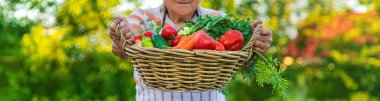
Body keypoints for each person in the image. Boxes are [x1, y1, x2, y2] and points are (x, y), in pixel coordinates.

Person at [109, 0, 273, 101]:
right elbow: (125, 46)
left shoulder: (219, 19)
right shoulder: (142, 17)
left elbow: (240, 55)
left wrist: (255, 46)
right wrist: (122, 37)